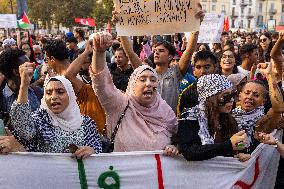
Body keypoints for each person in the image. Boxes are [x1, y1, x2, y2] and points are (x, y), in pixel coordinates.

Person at [90, 32, 177, 152]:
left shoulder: (166, 112)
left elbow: (177, 139)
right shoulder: (120, 105)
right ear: (132, 84)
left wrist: (175, 147)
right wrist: (99, 52)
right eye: (142, 79)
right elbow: (102, 85)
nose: (149, 84)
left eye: (153, 80)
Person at [10, 62, 102, 158]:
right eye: (49, 93)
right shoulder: (41, 120)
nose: (53, 97)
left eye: (60, 92)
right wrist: (24, 85)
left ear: (70, 95)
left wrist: (92, 151)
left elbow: (99, 152)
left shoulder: (86, 123)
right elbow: (24, 130)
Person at [178, 74, 248, 161]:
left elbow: (234, 146)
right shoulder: (190, 117)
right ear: (210, 97)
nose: (231, 100)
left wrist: (240, 151)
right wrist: (228, 145)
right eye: (225, 96)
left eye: (232, 95)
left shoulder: (229, 119)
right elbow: (189, 152)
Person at [65, 42, 106, 134]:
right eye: (82, 60)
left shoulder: (107, 82)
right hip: (88, 135)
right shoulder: (83, 88)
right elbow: (68, 75)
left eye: (89, 58)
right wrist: (86, 52)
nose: (86, 60)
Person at [177, 50, 217, 118]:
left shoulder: (225, 90)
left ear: (215, 68)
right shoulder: (187, 94)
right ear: (194, 70)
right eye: (198, 67)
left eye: (207, 67)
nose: (202, 71)